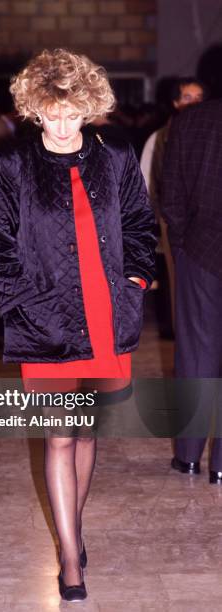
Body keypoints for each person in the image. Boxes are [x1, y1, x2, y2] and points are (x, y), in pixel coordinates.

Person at [0, 49, 156, 602]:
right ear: (34, 110)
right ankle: (71, 558)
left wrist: (135, 283)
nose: (60, 126)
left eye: (72, 113)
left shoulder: (117, 157)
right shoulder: (10, 166)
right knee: (58, 434)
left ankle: (71, 531)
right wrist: (26, 304)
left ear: (89, 108)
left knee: (87, 432)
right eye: (50, 114)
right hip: (44, 323)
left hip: (106, 318)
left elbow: (141, 228)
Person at [161, 98, 222, 484]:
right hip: (200, 246)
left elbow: (172, 193)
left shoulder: (191, 120)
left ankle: (187, 456)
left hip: (201, 250)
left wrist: (182, 243)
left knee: (196, 354)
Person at [140, 78, 205, 337]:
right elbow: (146, 182)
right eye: (188, 97)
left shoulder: (210, 133)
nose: (194, 103)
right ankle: (184, 336)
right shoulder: (159, 138)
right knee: (179, 281)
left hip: (207, 221)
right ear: (176, 103)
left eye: (199, 97)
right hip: (173, 222)